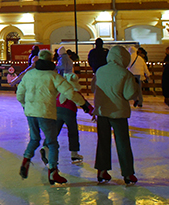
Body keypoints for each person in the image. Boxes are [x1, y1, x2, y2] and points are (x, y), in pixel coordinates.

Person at [17, 49, 92, 185]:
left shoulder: (29, 74)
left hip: (30, 113)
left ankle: (25, 160)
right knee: (52, 144)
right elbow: (69, 92)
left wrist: (25, 106)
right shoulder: (53, 76)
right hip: (46, 113)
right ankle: (53, 172)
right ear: (51, 60)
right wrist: (85, 105)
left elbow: (19, 94)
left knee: (34, 139)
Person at [93, 45, 140, 185]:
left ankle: (102, 171)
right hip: (118, 113)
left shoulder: (100, 71)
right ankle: (128, 173)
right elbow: (129, 94)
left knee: (103, 142)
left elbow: (93, 88)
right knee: (123, 143)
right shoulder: (125, 74)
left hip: (102, 112)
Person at [50, 72, 86, 165]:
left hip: (57, 112)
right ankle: (74, 154)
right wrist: (92, 112)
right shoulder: (74, 92)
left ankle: (46, 148)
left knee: (54, 132)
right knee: (73, 133)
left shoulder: (60, 90)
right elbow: (83, 102)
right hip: (69, 113)